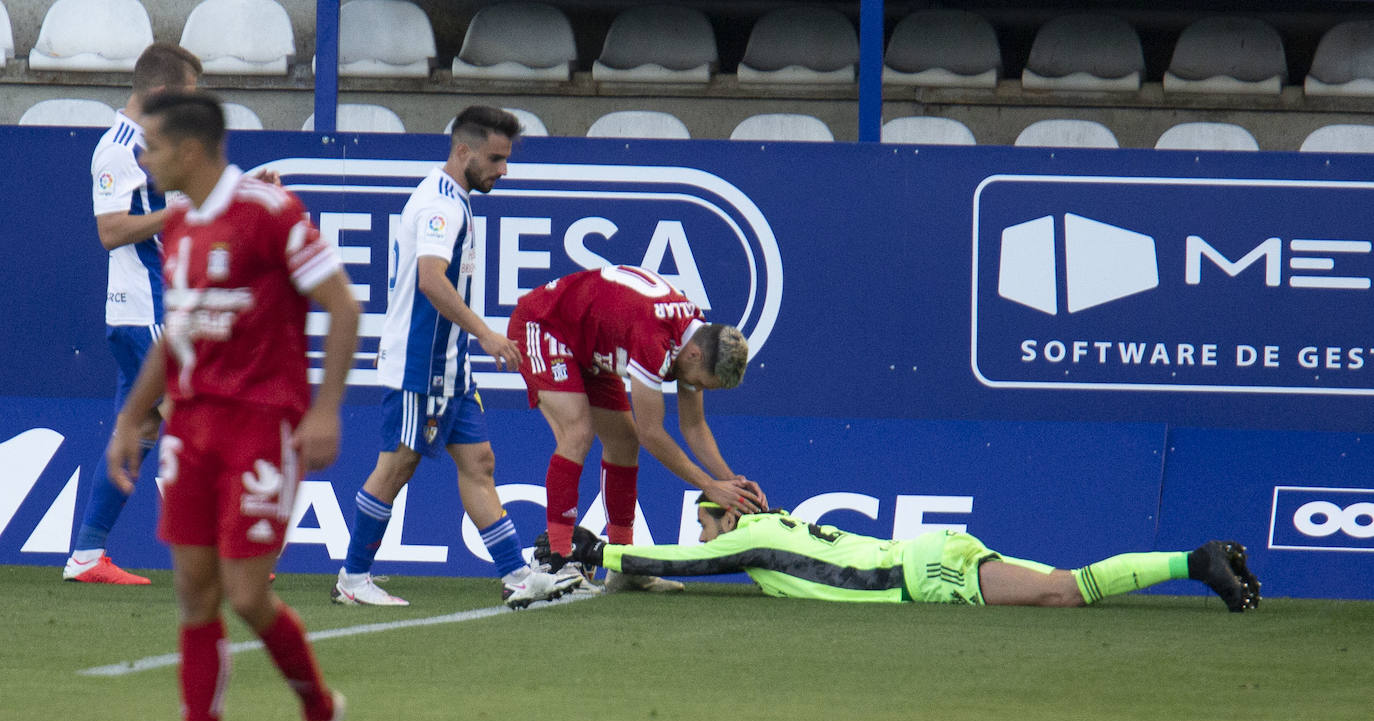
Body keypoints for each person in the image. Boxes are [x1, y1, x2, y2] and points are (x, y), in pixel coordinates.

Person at [107, 90, 356, 721]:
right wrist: (131, 416)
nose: (143, 159)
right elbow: (179, 332)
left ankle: (319, 709)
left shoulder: (269, 212)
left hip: (260, 422)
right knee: (192, 589)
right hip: (192, 422)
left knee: (246, 592)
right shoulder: (181, 223)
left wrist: (326, 410)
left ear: (188, 150)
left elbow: (342, 305)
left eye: (150, 147)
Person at [332, 105, 568, 610]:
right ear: (463, 151)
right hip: (423, 364)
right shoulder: (442, 206)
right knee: (397, 466)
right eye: (495, 158)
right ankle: (353, 577)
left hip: (449, 365)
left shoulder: (452, 198)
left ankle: (516, 575)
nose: (503, 170)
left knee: (479, 462)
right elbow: (431, 279)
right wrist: (485, 333)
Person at [506, 265, 767, 595]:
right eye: (700, 382)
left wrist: (731, 483)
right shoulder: (655, 338)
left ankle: (624, 565)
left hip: (591, 341)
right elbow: (652, 432)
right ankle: (556, 561)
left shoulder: (694, 341)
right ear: (695, 355)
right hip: (545, 325)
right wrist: (708, 485)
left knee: (623, 442)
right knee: (577, 432)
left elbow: (694, 426)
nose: (696, 388)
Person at [552, 497, 1263, 612]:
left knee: (1064, 592)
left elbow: (686, 562)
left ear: (730, 515)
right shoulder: (772, 528)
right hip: (926, 559)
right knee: (1059, 587)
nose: (705, 531)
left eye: (708, 519)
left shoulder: (749, 536)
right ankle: (1200, 561)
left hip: (923, 572)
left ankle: (1197, 562)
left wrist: (604, 550)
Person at [64, 43, 202, 586]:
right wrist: (179, 210)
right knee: (191, 418)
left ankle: (86, 556)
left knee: (141, 428)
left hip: (153, 310)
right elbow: (110, 230)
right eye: (189, 97)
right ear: (163, 93)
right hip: (143, 310)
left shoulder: (156, 144)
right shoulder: (117, 149)